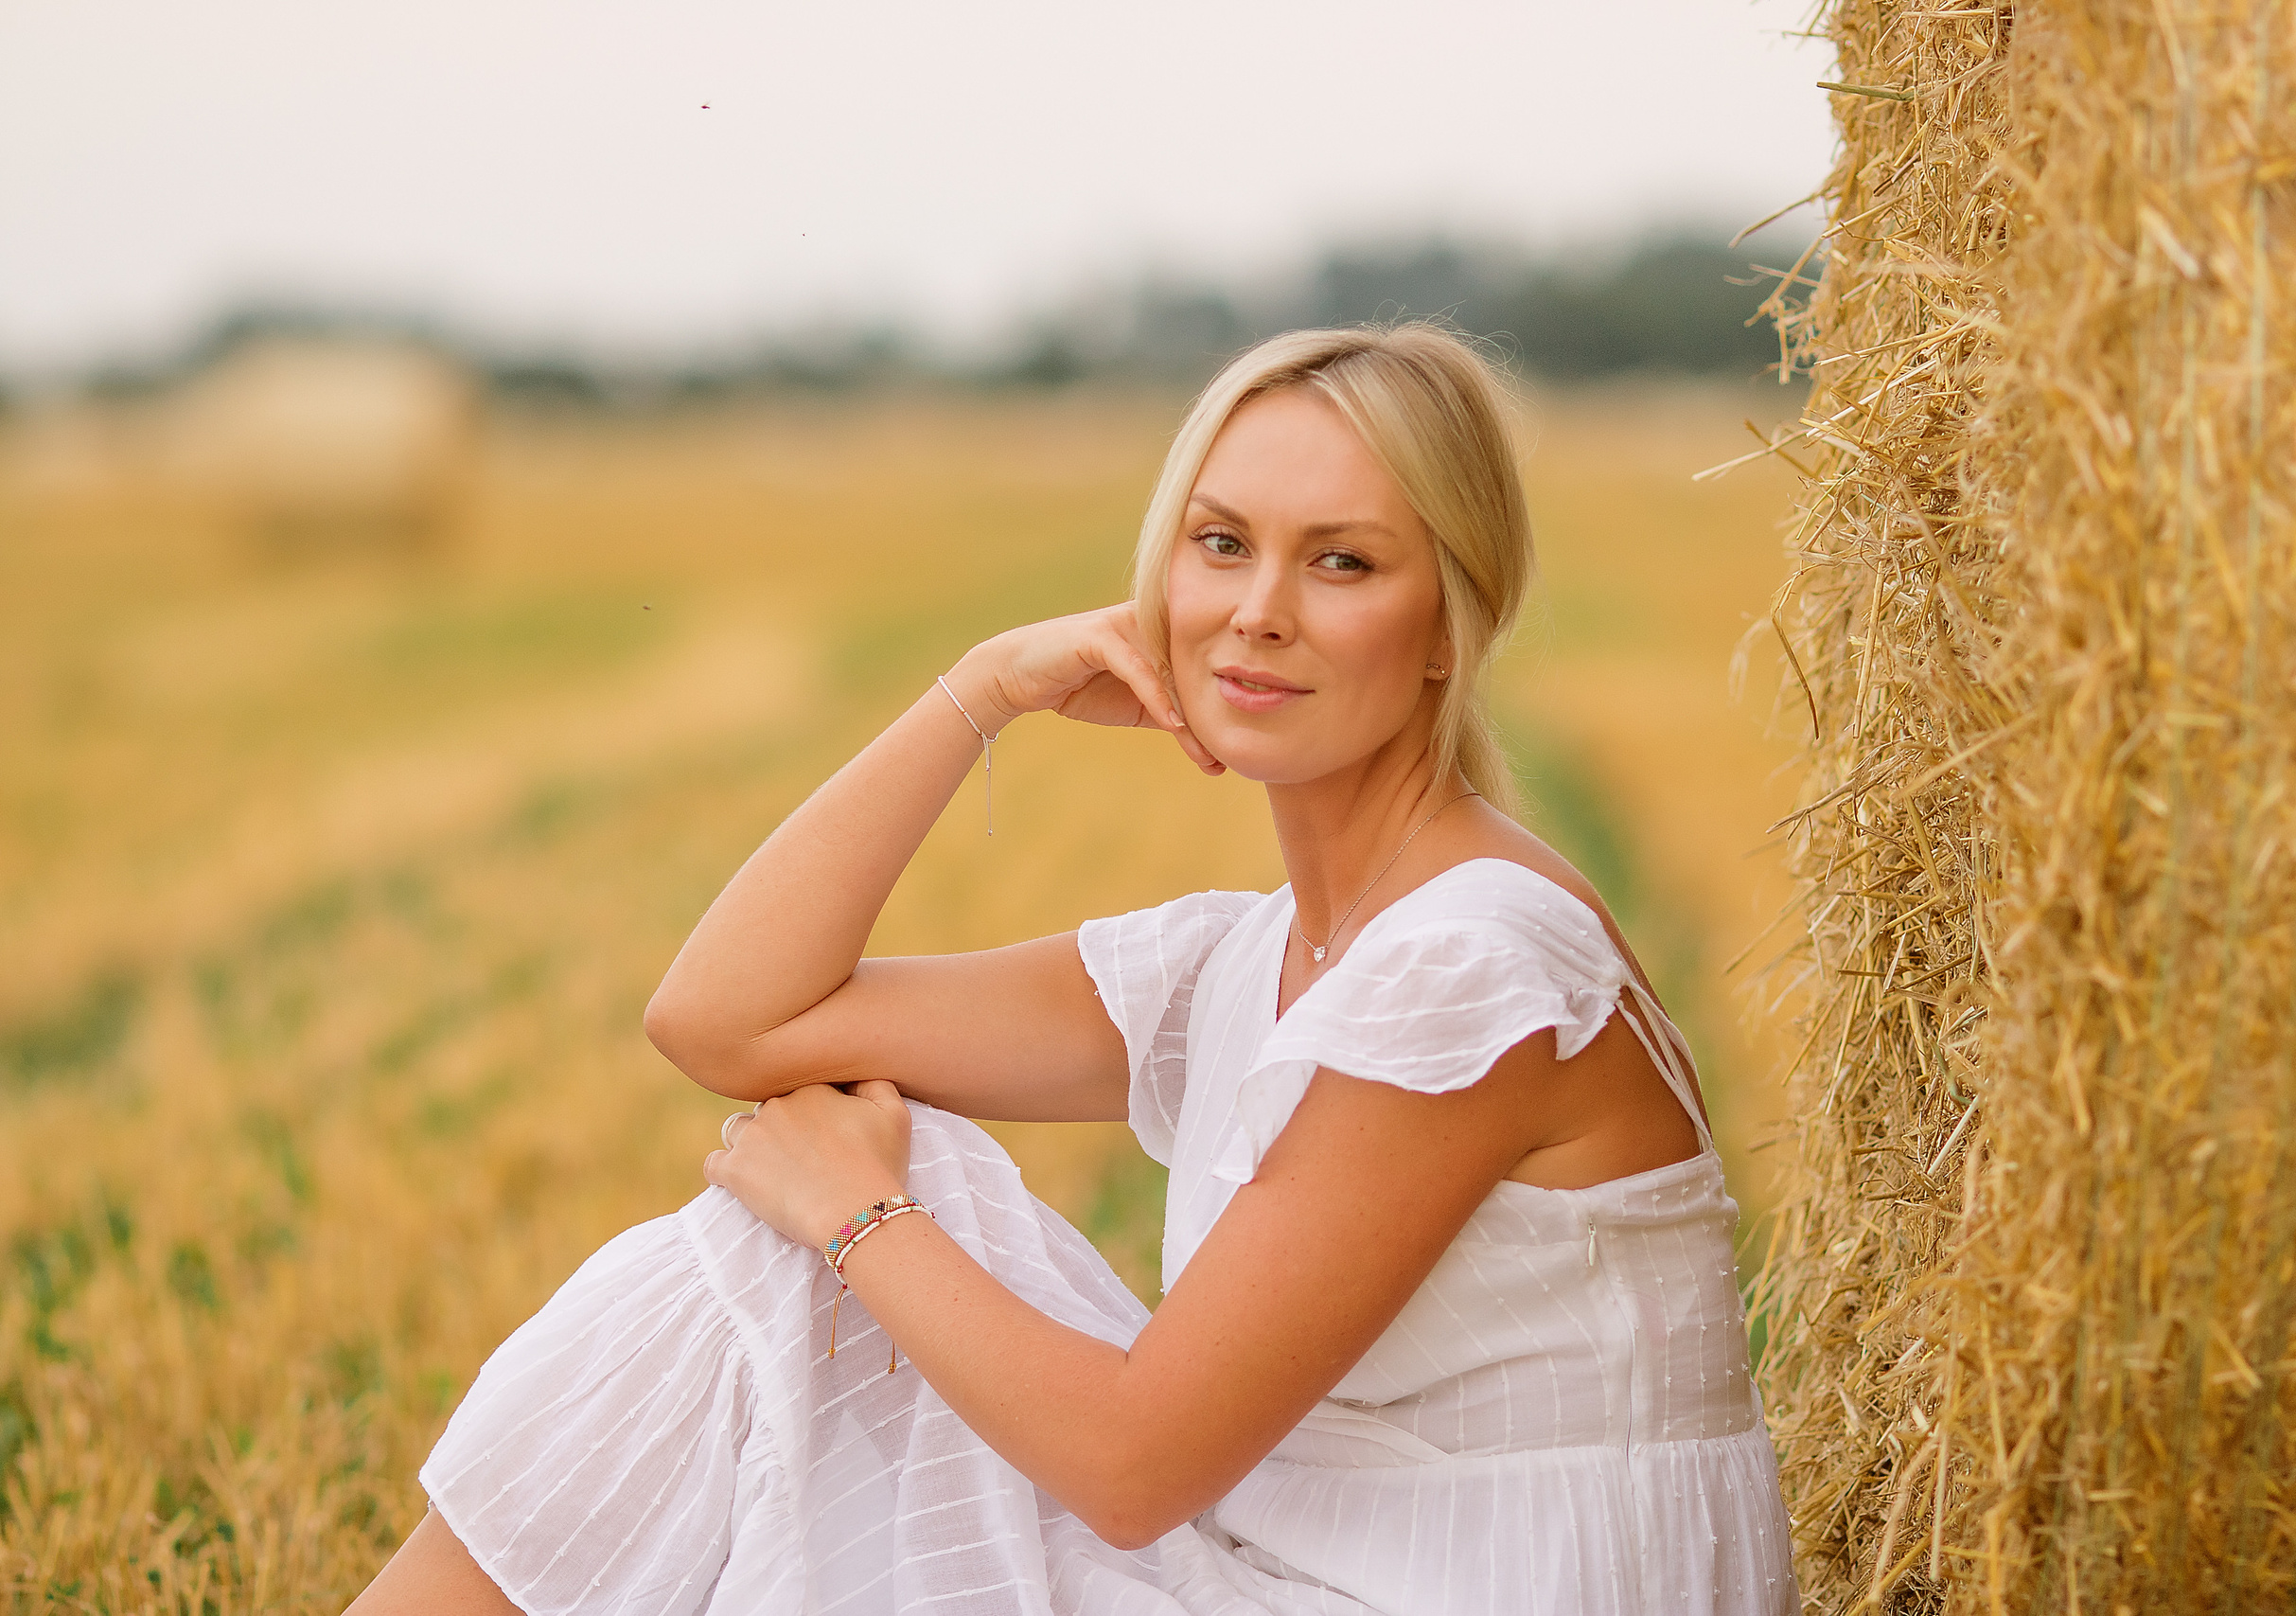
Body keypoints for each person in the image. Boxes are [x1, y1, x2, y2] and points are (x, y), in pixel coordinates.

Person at [346, 325, 1797, 1616]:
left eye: (1342, 561)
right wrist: (985, 687)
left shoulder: (1467, 970)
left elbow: (1130, 1464)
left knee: (839, 1242)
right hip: (1301, 1563)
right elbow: (730, 1021)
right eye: (1220, 544)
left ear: (1447, 628)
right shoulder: (1252, 959)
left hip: (1472, 1591)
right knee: (760, 1269)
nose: (1259, 610)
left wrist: (860, 1209)